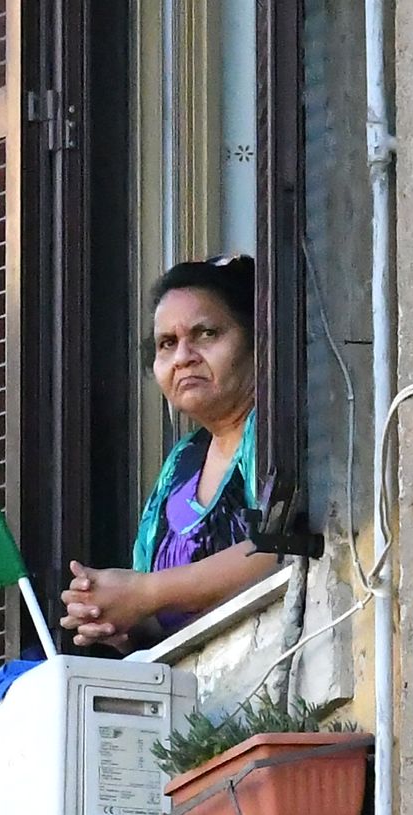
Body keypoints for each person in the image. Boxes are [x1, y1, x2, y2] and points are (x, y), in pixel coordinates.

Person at [60, 255, 280, 648]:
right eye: (167, 344)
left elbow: (287, 551)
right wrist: (115, 618)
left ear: (257, 340)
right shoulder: (181, 464)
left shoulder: (275, 429)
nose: (183, 357)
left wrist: (147, 593)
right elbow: (161, 624)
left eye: (206, 334)